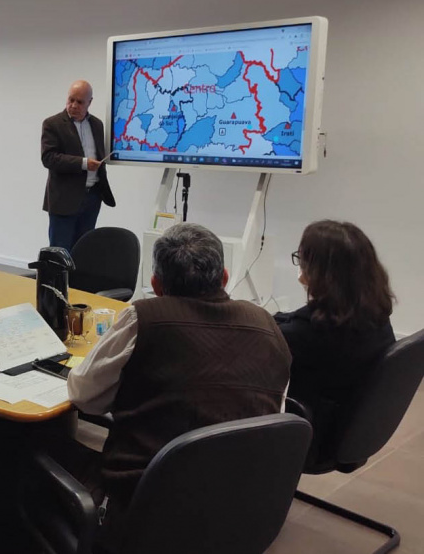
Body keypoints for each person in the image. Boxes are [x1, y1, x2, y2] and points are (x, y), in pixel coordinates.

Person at [64, 223, 291, 550]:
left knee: (38, 446)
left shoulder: (145, 317)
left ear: (155, 284)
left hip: (148, 503)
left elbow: (84, 398)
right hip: (243, 502)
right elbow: (273, 419)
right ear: (224, 277)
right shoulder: (269, 325)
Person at [275, 220, 395, 460]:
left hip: (314, 437)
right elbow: (296, 320)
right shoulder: (376, 315)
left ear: (318, 271)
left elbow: (279, 331)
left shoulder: (310, 333)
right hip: (352, 430)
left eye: (302, 258)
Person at [41, 80, 116, 251]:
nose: (73, 105)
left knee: (85, 251)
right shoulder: (53, 124)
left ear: (90, 102)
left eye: (80, 102)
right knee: (60, 252)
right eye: (71, 100)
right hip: (64, 199)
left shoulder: (97, 125)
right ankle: (59, 280)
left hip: (92, 197)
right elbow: (49, 158)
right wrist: (83, 163)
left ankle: (80, 279)